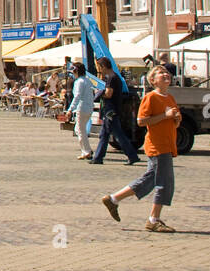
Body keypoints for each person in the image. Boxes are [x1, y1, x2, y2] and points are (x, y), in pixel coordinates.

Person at [100, 64, 181, 232]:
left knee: (151, 179)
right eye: (160, 73)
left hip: (167, 144)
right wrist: (164, 116)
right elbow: (141, 121)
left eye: (166, 73)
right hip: (157, 145)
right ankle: (153, 219)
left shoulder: (170, 98)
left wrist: (176, 118)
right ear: (153, 80)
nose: (165, 75)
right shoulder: (151, 97)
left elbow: (174, 121)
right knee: (163, 183)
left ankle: (114, 199)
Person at [90, 58, 139, 166]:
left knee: (118, 135)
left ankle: (132, 155)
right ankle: (98, 157)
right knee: (104, 134)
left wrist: (99, 93)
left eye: (99, 67)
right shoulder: (114, 77)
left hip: (110, 110)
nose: (99, 70)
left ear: (103, 66)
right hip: (112, 110)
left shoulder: (111, 78)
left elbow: (109, 94)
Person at [66, 62, 96, 160]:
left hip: (82, 108)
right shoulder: (88, 81)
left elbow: (77, 96)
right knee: (79, 129)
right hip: (89, 108)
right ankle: (86, 150)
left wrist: (70, 109)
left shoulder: (79, 82)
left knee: (80, 130)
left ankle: (86, 151)